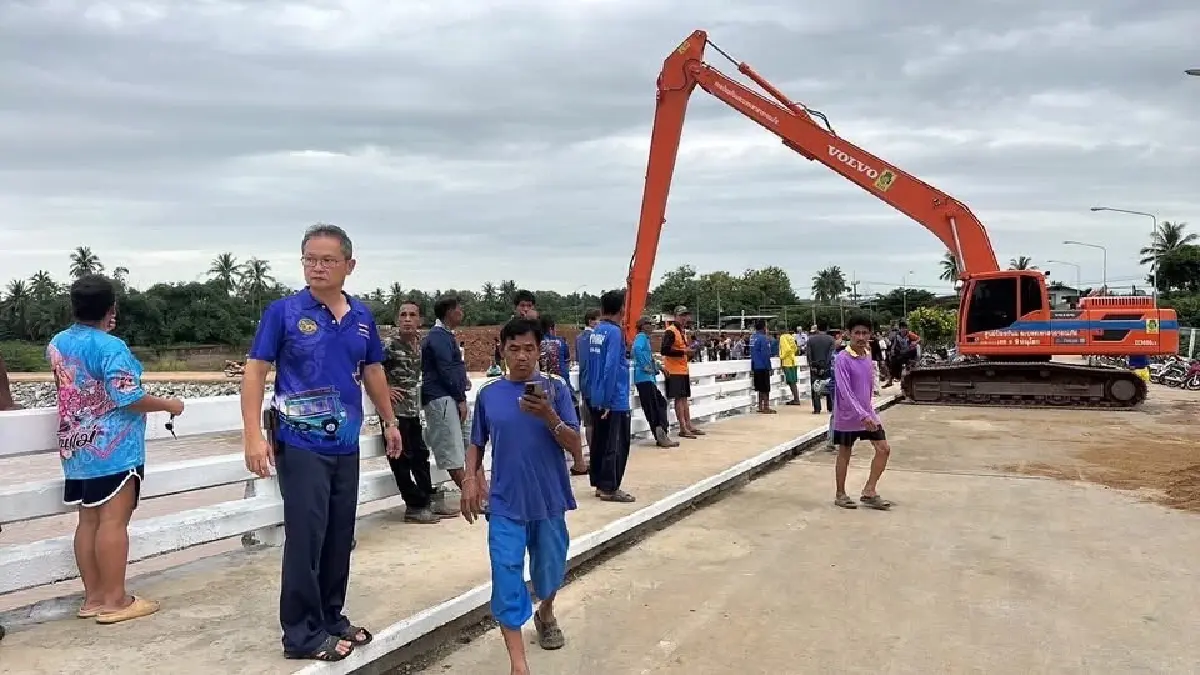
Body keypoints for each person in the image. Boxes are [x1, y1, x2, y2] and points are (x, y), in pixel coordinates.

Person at [241, 223, 402, 662]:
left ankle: (331, 616)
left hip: (344, 444)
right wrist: (253, 435)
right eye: (310, 258)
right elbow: (255, 371)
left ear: (349, 265)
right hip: (300, 442)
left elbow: (373, 371)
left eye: (327, 259)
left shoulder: (362, 317)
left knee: (339, 534)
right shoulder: (284, 312)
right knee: (307, 536)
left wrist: (389, 421)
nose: (317, 267)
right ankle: (301, 634)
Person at [46, 274, 185, 625]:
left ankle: (93, 597)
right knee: (113, 521)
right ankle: (116, 600)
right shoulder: (111, 347)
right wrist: (170, 404)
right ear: (111, 309)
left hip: (76, 449)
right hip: (114, 449)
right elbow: (129, 397)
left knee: (88, 520)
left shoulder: (58, 344)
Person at [460, 318, 587, 675]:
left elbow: (577, 448)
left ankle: (545, 611)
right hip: (505, 502)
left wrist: (548, 414)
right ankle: (519, 665)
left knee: (549, 570)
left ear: (539, 350)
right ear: (502, 350)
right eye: (513, 348)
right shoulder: (489, 394)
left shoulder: (557, 391)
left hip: (548, 500)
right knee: (506, 574)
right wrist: (471, 478)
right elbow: (476, 441)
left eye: (529, 348)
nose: (521, 356)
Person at [382, 300, 450, 524]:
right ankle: (414, 506)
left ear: (420, 320)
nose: (408, 319)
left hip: (412, 410)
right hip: (393, 414)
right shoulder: (389, 345)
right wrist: (386, 389)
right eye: (403, 315)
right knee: (401, 459)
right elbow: (367, 369)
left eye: (412, 315)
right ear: (397, 320)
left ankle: (426, 499)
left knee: (420, 455)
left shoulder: (419, 345)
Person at [831, 315, 892, 511]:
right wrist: (862, 415)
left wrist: (869, 412)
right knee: (845, 453)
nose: (860, 336)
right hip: (848, 415)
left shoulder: (867, 355)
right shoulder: (842, 359)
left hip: (867, 413)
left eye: (865, 333)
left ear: (870, 335)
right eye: (856, 332)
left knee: (884, 449)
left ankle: (869, 491)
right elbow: (845, 391)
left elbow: (865, 388)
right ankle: (840, 494)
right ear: (848, 334)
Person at [421, 296, 474, 512]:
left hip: (448, 396)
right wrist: (460, 396)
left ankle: (478, 493)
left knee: (466, 445)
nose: (462, 313)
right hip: (442, 397)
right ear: (449, 312)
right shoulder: (439, 337)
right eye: (459, 309)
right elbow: (446, 369)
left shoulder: (443, 336)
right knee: (452, 449)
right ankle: (472, 497)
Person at [585, 290, 635, 503]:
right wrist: (607, 400)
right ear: (621, 309)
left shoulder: (596, 332)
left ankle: (599, 482)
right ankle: (609, 487)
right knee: (616, 444)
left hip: (596, 395)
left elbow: (591, 365)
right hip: (613, 400)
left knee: (599, 442)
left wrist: (596, 396)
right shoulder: (615, 333)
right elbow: (611, 367)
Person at [632, 317, 678, 447]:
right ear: (643, 326)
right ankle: (661, 437)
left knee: (660, 404)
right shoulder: (641, 337)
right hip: (644, 378)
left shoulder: (645, 339)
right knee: (654, 408)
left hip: (647, 378)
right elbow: (636, 350)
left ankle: (661, 435)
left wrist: (660, 367)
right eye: (649, 324)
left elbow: (649, 357)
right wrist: (645, 366)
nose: (652, 326)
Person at [660, 306, 704, 439]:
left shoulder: (682, 331)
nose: (685, 318)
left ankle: (688, 425)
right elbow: (664, 350)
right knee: (680, 399)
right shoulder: (671, 331)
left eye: (686, 315)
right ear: (676, 317)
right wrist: (684, 351)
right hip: (673, 370)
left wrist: (689, 352)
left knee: (684, 399)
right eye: (682, 315)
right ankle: (683, 427)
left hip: (682, 369)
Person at [574, 309, 600, 447]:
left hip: (584, 383)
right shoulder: (596, 338)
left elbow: (579, 360)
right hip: (596, 385)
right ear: (591, 321)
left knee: (589, 423)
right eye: (598, 320)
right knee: (599, 422)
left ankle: (592, 453)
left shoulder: (579, 338)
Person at [805, 324, 834, 414]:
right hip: (827, 367)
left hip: (814, 366)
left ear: (817, 329)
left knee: (815, 387)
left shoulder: (811, 339)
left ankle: (817, 409)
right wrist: (825, 367)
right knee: (829, 386)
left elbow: (809, 354)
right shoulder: (830, 339)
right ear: (827, 329)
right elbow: (830, 355)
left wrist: (812, 366)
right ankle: (830, 407)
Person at [749, 319, 776, 414]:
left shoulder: (752, 337)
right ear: (764, 327)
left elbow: (751, 353)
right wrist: (769, 367)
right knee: (765, 388)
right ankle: (766, 407)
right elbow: (766, 355)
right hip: (763, 366)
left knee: (759, 388)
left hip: (755, 365)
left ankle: (760, 406)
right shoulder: (764, 338)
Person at [778, 327, 802, 406]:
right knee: (793, 382)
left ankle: (796, 399)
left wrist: (781, 356)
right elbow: (795, 348)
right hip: (793, 361)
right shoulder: (791, 337)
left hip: (787, 362)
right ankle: (796, 398)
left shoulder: (783, 337)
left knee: (791, 382)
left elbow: (787, 349)